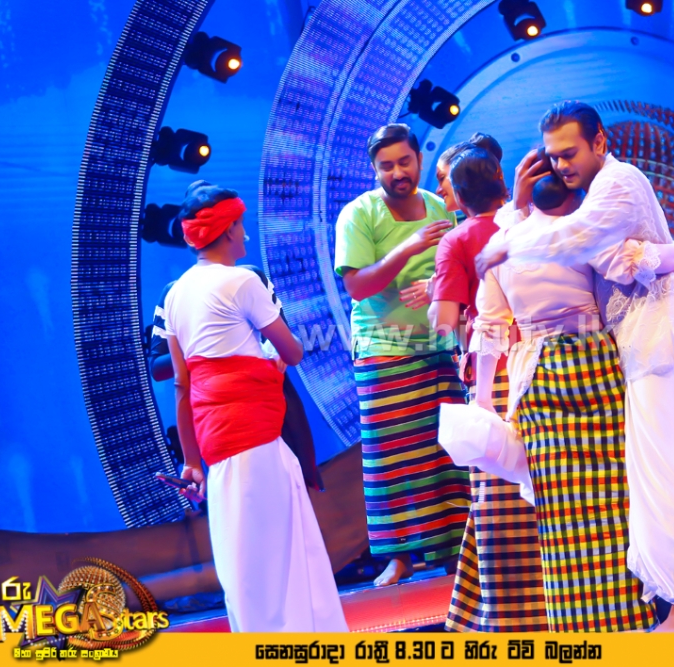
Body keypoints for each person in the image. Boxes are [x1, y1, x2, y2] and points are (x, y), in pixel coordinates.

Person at [477, 101, 674, 632]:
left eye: (569, 152)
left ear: (600, 141)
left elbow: (577, 239)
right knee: (655, 478)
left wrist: (507, 237)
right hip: (640, 346)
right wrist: (667, 254)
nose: (561, 165)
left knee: (661, 481)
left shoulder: (619, 182)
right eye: (553, 156)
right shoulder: (596, 195)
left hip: (657, 343)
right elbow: (619, 256)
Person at [162, 182, 346, 632]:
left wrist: (191, 461)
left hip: (216, 446)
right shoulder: (243, 281)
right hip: (256, 439)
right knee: (283, 555)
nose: (245, 233)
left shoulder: (175, 294)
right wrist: (269, 360)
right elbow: (293, 351)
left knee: (243, 557)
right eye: (241, 225)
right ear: (227, 229)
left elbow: (183, 386)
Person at [334, 123, 470, 587]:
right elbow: (357, 286)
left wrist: (438, 287)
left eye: (404, 162)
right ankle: (400, 556)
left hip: (440, 347)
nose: (397, 172)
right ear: (375, 170)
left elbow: (460, 270)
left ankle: (456, 550)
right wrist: (408, 248)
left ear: (418, 159)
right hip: (384, 351)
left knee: (447, 454)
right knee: (392, 458)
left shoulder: (439, 206)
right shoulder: (359, 214)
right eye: (386, 166)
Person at [430, 144, 548, 632]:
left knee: (499, 505)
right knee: (546, 493)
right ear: (501, 179)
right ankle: (559, 609)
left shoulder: (458, 240)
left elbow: (444, 321)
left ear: (458, 195)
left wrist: (435, 295)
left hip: (495, 378)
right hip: (548, 370)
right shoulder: (536, 220)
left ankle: (511, 621)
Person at [148, 183, 322, 490]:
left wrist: (268, 352)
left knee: (293, 488)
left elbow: (285, 344)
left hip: (271, 400)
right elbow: (161, 368)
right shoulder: (173, 295)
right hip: (222, 416)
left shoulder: (250, 277)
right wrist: (210, 345)